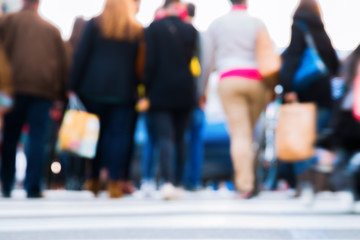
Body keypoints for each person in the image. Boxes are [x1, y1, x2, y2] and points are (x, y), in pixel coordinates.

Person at [69, 0, 145, 198]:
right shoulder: (136, 29)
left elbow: (81, 57)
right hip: (124, 91)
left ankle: (93, 178)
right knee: (118, 137)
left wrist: (72, 86)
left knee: (95, 136)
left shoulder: (95, 24)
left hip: (93, 88)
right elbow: (140, 63)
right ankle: (113, 181)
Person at [201, 0, 270, 198]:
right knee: (252, 134)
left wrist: (203, 89)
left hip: (229, 79)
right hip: (257, 81)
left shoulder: (217, 24)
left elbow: (207, 60)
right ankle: (253, 180)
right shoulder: (257, 22)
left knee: (239, 134)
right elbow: (268, 54)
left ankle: (245, 184)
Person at [0, 0, 68, 198]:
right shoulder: (52, 30)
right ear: (39, 4)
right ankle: (33, 186)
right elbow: (63, 65)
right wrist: (60, 94)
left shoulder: (7, 22)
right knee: (37, 138)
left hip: (12, 88)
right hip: (42, 90)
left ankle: (6, 183)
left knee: (11, 137)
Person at [279, 0, 340, 195]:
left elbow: (293, 57)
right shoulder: (322, 33)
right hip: (324, 95)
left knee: (301, 139)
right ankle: (321, 180)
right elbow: (334, 64)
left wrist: (287, 86)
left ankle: (304, 184)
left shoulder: (299, 26)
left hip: (304, 94)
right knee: (317, 139)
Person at [144, 0, 198, 199]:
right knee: (180, 138)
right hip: (184, 89)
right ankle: (179, 181)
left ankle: (167, 181)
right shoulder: (190, 30)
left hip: (160, 89)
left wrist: (145, 89)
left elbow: (149, 62)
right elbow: (194, 59)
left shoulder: (154, 29)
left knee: (165, 137)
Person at [182, 2, 206, 191]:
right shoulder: (197, 34)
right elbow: (203, 65)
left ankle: (180, 178)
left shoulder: (178, 32)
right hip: (196, 93)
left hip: (182, 93)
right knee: (196, 138)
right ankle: (193, 179)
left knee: (180, 136)